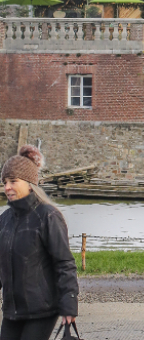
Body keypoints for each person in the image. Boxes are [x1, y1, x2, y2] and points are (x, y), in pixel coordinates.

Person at [0, 145, 79, 340]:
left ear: (29, 183)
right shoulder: (5, 219)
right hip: (12, 310)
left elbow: (64, 263)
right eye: (4, 182)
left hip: (41, 310)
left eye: (13, 181)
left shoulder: (48, 216)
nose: (7, 187)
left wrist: (69, 304)